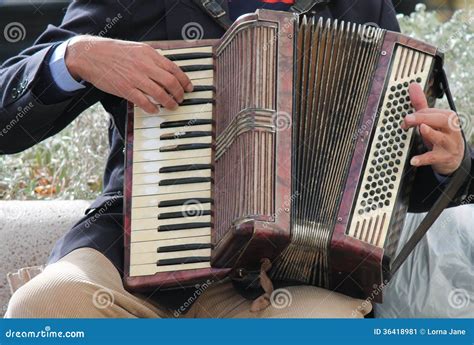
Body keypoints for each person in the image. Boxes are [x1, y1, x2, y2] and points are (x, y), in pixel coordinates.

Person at [1, 0, 472, 318]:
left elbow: (394, 171)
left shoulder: (360, 6)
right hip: (132, 255)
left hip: (292, 273)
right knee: (45, 307)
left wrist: (448, 161)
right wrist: (76, 56)